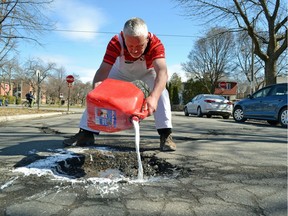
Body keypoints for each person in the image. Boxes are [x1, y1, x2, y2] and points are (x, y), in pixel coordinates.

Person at [63, 17, 176, 152]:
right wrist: (98, 93)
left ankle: (166, 135)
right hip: (120, 72)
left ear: (147, 39)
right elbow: (103, 71)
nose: (134, 51)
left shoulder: (155, 43)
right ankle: (86, 133)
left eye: (139, 46)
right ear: (124, 37)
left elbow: (162, 72)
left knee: (161, 92)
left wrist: (154, 97)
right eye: (130, 46)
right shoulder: (116, 42)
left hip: (148, 72)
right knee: (97, 95)